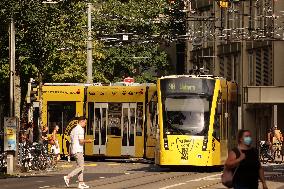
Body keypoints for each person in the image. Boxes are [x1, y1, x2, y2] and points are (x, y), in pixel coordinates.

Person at [63, 116, 92, 189]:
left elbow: (72, 140)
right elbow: (81, 141)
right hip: (78, 150)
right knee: (81, 167)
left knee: (80, 167)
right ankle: (68, 177)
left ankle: (81, 183)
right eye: (85, 123)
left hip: (74, 150)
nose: (85, 124)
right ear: (81, 121)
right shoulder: (80, 129)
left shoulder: (73, 129)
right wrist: (88, 141)